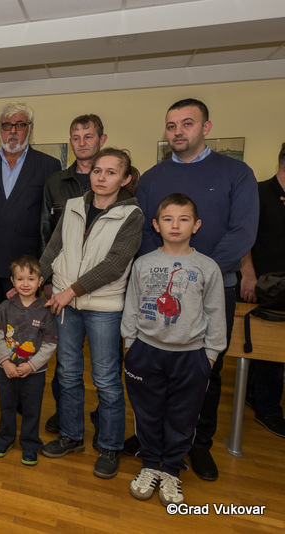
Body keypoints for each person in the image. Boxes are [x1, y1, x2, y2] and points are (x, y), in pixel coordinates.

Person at [132, 98, 258, 480]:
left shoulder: (237, 172)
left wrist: (200, 274)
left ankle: (198, 444)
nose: (178, 132)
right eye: (171, 125)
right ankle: (153, 440)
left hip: (215, 288)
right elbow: (143, 231)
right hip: (160, 290)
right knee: (154, 369)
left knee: (206, 370)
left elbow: (243, 231)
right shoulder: (152, 177)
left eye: (187, 123)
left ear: (206, 127)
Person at [39, 148, 143, 479]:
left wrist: (71, 291)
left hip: (103, 309)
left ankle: (110, 446)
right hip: (65, 305)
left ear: (125, 179)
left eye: (111, 172)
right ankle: (71, 436)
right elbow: (53, 248)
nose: (102, 177)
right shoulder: (72, 206)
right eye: (98, 170)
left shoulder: (132, 215)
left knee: (107, 380)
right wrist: (33, 281)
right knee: (68, 373)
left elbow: (114, 265)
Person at [122, 193, 226, 506]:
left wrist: (210, 355)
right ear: (156, 225)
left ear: (196, 225)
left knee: (183, 417)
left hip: (191, 355)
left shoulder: (207, 267)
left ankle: (171, 470)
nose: (175, 225)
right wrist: (130, 344)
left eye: (183, 219)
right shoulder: (143, 263)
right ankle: (150, 464)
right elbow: (132, 306)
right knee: (148, 413)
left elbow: (216, 313)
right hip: (146, 351)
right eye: (168, 219)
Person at [0, 102, 61, 409]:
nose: (13, 131)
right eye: (7, 125)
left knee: (24, 332)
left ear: (30, 129)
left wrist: (44, 272)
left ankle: (21, 391)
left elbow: (50, 223)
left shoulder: (48, 165)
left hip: (27, 270)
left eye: (19, 125)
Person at [40, 113, 108, 434]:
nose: (82, 143)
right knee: (66, 361)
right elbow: (46, 234)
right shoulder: (55, 183)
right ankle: (65, 415)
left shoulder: (114, 180)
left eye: (88, 136)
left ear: (101, 140)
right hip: (63, 285)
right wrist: (45, 279)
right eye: (76, 138)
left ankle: (103, 418)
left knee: (105, 365)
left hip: (104, 289)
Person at [0, 255, 57, 466]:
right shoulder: (4, 307)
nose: (25, 284)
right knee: (7, 405)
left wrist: (31, 365)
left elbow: (49, 343)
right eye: (20, 279)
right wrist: (5, 362)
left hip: (34, 372)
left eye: (31, 279)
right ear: (12, 281)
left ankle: (30, 444)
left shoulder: (45, 311)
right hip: (5, 369)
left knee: (31, 409)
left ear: (40, 281)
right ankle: (5, 439)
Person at [239, 142, 285, 438]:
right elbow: (244, 237)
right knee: (269, 346)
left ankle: (255, 396)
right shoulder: (257, 192)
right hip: (261, 283)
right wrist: (248, 274)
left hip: (281, 286)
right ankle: (268, 410)